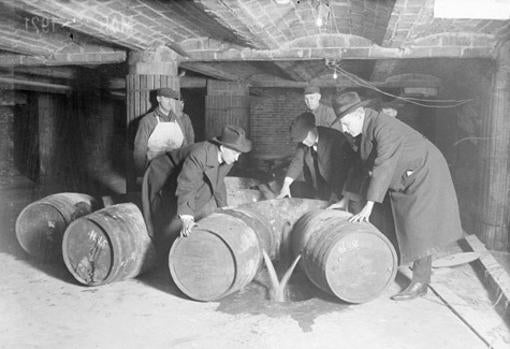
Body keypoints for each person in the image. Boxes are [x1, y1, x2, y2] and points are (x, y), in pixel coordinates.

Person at [329, 91, 464, 301]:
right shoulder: (363, 128)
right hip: (404, 173)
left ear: (358, 114)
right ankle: (395, 260)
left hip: (424, 171)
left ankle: (421, 282)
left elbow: (383, 166)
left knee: (419, 226)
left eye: (346, 123)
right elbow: (360, 165)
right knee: (399, 220)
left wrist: (369, 205)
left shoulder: (384, 127)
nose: (344, 129)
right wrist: (346, 197)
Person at [141, 125, 252, 253]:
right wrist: (187, 218)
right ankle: (160, 251)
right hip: (162, 172)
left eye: (239, 154)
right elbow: (186, 185)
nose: (237, 158)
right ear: (222, 148)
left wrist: (224, 208)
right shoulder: (199, 155)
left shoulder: (229, 159)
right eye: (235, 153)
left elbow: (218, 181)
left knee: (197, 201)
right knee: (163, 217)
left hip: (182, 173)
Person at [277, 112, 355, 202]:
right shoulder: (304, 141)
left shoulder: (335, 139)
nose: (304, 143)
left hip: (345, 187)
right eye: (301, 141)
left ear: (313, 129)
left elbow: (340, 172)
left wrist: (335, 195)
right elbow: (297, 161)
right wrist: (286, 186)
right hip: (320, 186)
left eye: (305, 138)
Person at [133, 87, 195, 176]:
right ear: (158, 99)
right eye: (166, 98)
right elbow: (139, 151)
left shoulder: (178, 120)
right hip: (153, 170)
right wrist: (140, 174)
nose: (170, 102)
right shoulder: (147, 121)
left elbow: (184, 145)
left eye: (172, 99)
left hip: (175, 169)